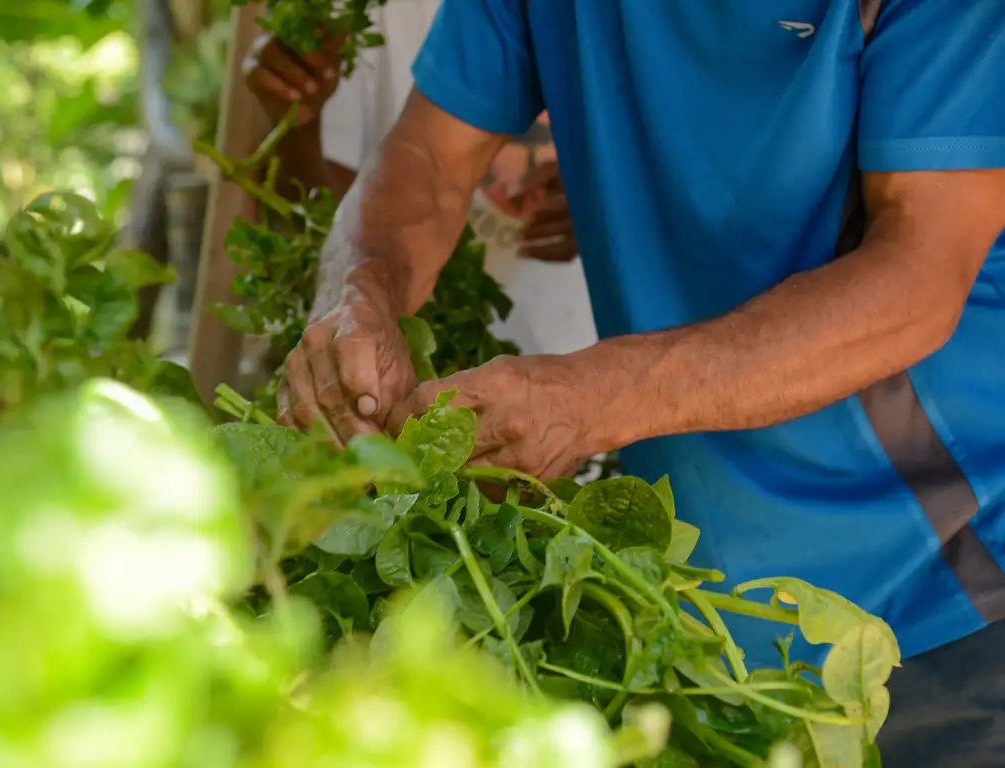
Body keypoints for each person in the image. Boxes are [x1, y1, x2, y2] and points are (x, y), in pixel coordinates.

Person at [277, 2, 1005, 765]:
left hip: (943, 591)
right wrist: (358, 290)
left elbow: (919, 275)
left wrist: (591, 397)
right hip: (698, 608)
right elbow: (428, 158)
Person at [240, 0, 597, 357]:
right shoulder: (361, 13)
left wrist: (616, 195)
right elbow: (330, 211)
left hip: (596, 358)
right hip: (424, 363)